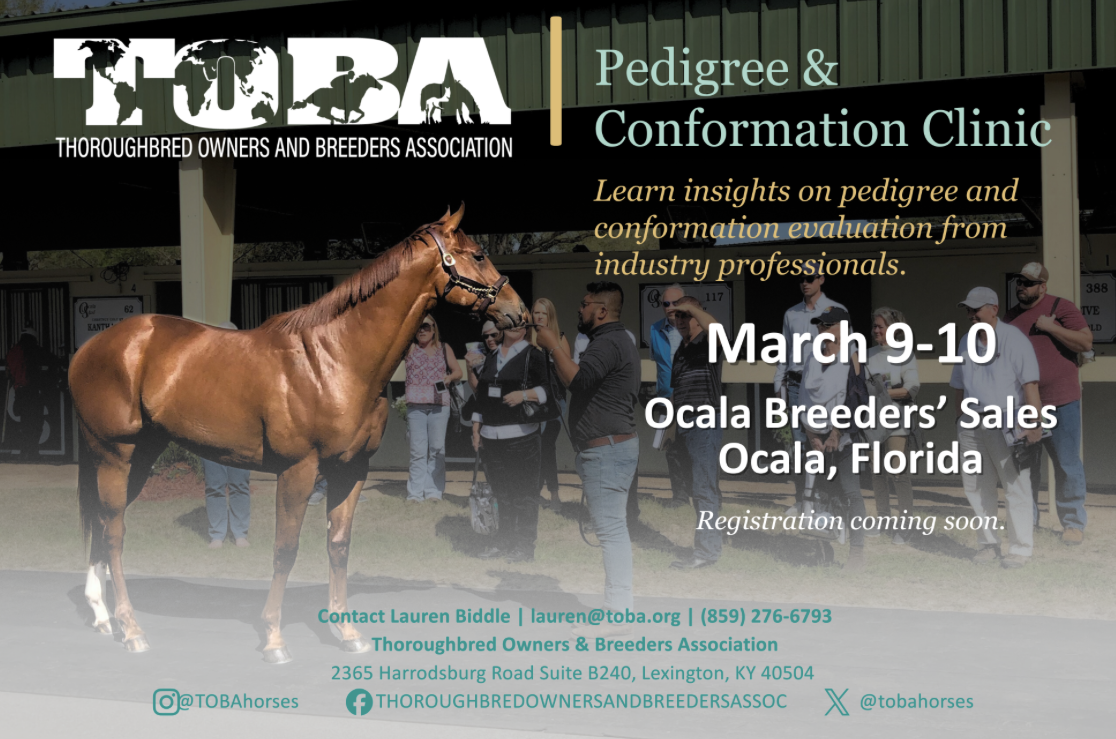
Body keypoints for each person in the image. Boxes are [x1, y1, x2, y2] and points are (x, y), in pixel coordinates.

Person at [537, 282, 639, 636]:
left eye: (584, 305)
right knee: (614, 529)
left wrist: (552, 347)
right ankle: (618, 606)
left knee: (611, 531)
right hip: (610, 447)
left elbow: (576, 381)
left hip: (606, 450)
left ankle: (618, 612)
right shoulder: (613, 340)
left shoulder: (608, 342)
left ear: (601, 310)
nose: (579, 310)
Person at [951, 287, 1042, 569]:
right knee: (977, 487)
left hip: (1007, 422)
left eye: (976, 309)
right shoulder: (966, 341)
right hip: (971, 423)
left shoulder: (1014, 339)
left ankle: (1020, 548)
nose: (971, 315)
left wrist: (1034, 424)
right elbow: (958, 384)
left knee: (1015, 485)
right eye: (968, 309)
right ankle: (988, 544)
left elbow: (1030, 385)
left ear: (994, 308)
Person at [1005, 262, 1091, 544]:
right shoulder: (1011, 317)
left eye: (1029, 283)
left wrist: (1052, 328)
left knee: (1066, 463)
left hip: (1061, 402)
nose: (1022, 287)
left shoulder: (1061, 308)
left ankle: (1072, 523)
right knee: (1025, 465)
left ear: (1043, 286)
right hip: (1025, 406)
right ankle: (1026, 521)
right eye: (1020, 282)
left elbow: (1085, 343)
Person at [470, 323, 550, 562]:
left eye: (518, 324)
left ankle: (525, 547)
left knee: (524, 494)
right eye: (508, 323)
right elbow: (481, 395)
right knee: (501, 494)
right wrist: (476, 428)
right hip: (491, 437)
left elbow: (550, 389)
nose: (513, 328)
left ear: (525, 328)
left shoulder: (533, 355)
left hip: (522, 436)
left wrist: (524, 395)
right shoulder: (492, 356)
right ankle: (503, 542)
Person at [800, 306, 869, 571]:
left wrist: (836, 433)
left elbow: (856, 398)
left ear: (843, 327)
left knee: (851, 492)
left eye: (828, 325)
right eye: (819, 325)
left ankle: (857, 553)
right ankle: (823, 549)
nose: (822, 329)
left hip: (844, 437)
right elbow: (804, 398)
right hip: (816, 438)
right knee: (821, 495)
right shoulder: (811, 357)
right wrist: (810, 433)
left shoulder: (852, 356)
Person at [773, 274, 847, 515]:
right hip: (796, 384)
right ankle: (804, 500)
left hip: (827, 384)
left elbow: (850, 348)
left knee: (826, 442)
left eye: (810, 277)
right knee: (799, 442)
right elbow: (784, 350)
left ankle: (825, 499)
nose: (805, 282)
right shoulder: (790, 313)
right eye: (800, 278)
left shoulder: (836, 310)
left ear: (821, 279)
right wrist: (778, 385)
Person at [665, 297, 724, 569]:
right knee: (697, 488)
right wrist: (671, 426)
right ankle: (708, 544)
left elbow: (716, 330)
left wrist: (695, 311)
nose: (679, 321)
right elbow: (676, 390)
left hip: (704, 420)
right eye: (676, 317)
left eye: (684, 316)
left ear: (696, 316)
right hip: (685, 423)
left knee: (704, 488)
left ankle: (706, 552)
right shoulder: (681, 350)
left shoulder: (708, 342)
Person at [573, 323, 641, 524]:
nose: (580, 310)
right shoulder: (582, 338)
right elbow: (577, 373)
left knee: (622, 480)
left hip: (614, 422)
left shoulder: (625, 336)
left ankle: (630, 516)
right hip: (589, 423)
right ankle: (602, 518)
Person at [867, 307, 921, 544]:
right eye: (875, 326)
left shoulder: (904, 354)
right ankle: (883, 519)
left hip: (896, 423)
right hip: (870, 422)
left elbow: (911, 388)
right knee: (877, 473)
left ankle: (906, 523)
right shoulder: (866, 354)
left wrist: (882, 393)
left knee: (897, 473)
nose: (876, 330)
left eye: (881, 326)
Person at [202, 321, 251, 548]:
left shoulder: (247, 370)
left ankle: (240, 534)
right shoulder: (204, 371)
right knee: (215, 485)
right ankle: (217, 535)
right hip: (210, 437)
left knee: (240, 484)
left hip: (240, 437)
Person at [404, 316, 461, 503]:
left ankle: (434, 492)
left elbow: (458, 371)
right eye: (418, 326)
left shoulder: (444, 348)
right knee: (417, 451)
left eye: (426, 326)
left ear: (434, 329)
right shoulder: (410, 348)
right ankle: (415, 494)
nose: (422, 330)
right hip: (416, 408)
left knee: (437, 449)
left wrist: (449, 378)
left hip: (439, 406)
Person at [648, 284, 691, 508]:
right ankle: (680, 497)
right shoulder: (655, 330)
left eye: (675, 303)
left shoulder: (696, 328)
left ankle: (703, 494)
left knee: (696, 447)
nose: (671, 308)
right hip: (667, 399)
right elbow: (658, 363)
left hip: (692, 398)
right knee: (672, 448)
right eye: (666, 304)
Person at [530, 298, 571, 509]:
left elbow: (567, 375)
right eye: (535, 312)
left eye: (543, 313)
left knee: (546, 444)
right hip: (534, 401)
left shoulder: (560, 339)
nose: (538, 317)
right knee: (537, 447)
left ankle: (553, 494)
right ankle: (536, 493)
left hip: (555, 402)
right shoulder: (528, 340)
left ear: (550, 316)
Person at [3, 327, 52, 460]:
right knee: (36, 422)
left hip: (19, 392)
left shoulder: (12, 351)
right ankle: (34, 452)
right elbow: (48, 358)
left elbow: (8, 372)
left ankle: (23, 452)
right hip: (33, 391)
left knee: (25, 423)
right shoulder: (34, 349)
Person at [465, 320, 501, 392]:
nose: (489, 339)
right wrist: (469, 368)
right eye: (486, 336)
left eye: (494, 335)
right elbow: (477, 389)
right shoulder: (486, 359)